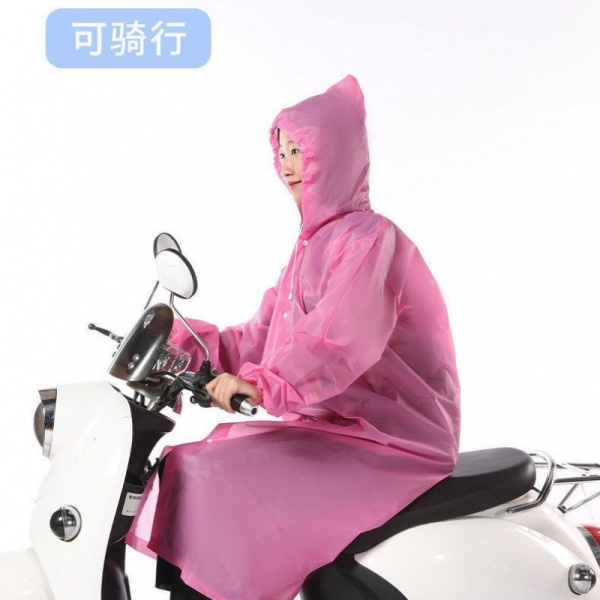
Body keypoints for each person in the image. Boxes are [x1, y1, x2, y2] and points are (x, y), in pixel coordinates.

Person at [125, 74, 461, 600]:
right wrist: (183, 349)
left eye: (300, 151)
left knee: (213, 476)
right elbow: (264, 336)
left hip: (392, 440)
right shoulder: (311, 248)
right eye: (281, 153)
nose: (286, 166)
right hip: (334, 431)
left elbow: (341, 339)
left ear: (336, 154)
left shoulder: (369, 240)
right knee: (187, 466)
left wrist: (265, 384)